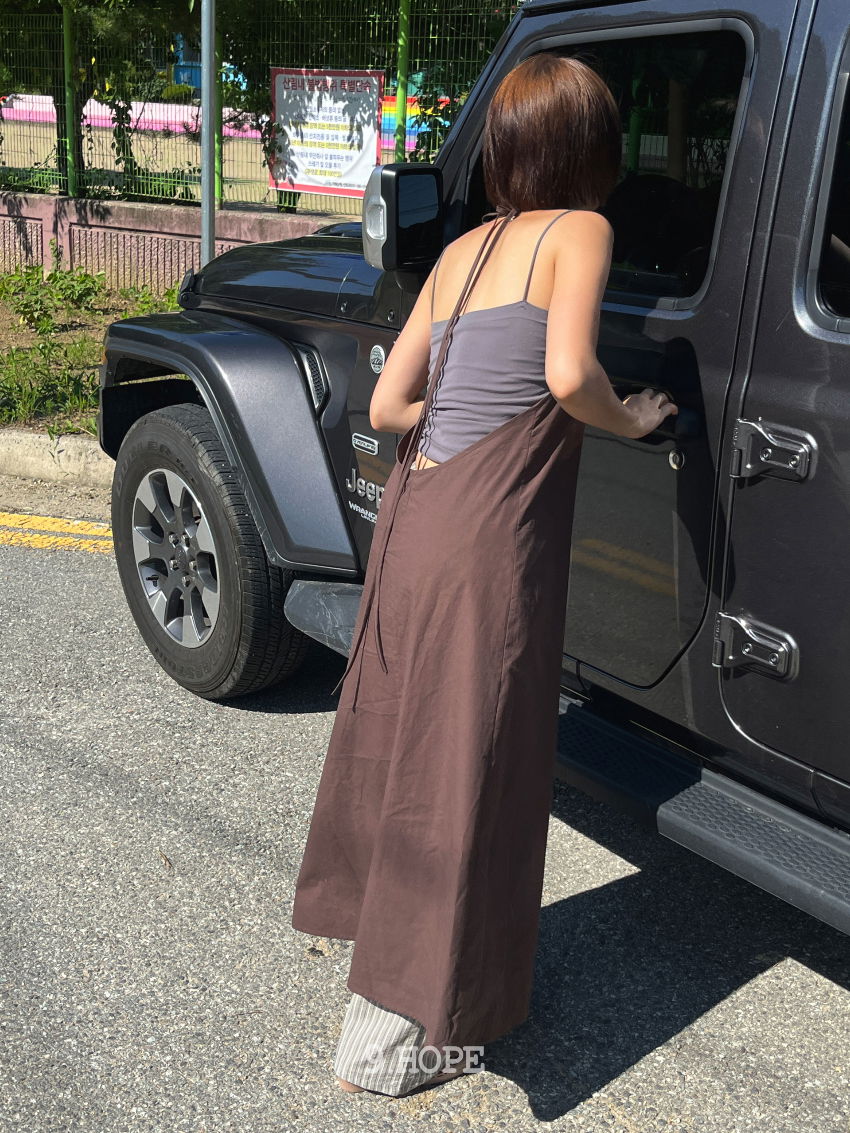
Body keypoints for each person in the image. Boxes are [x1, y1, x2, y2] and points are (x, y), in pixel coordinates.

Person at [290, 51, 678, 1099]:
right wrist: (629, 416)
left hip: (418, 518)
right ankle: (403, 1036)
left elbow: (387, 407)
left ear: (505, 147)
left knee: (403, 741)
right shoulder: (580, 231)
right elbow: (569, 373)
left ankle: (391, 974)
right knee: (470, 756)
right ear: (588, 148)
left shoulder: (462, 249)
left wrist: (462, 417)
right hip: (488, 530)